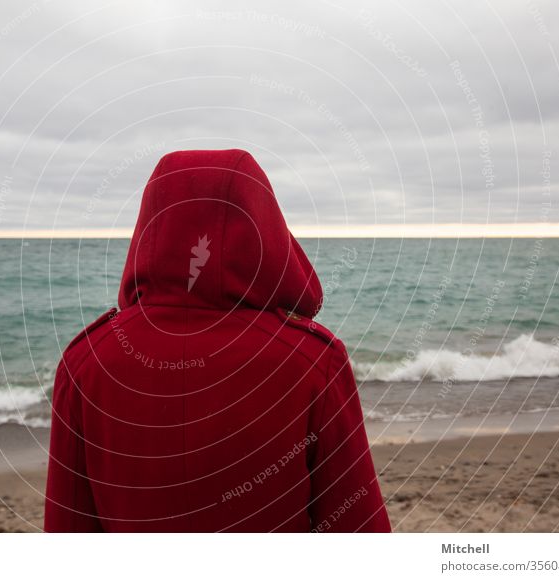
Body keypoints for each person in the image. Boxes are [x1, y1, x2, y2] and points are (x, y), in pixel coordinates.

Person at [44, 149, 391, 532]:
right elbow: (359, 529)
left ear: (151, 224)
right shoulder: (311, 361)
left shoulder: (86, 362)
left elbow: (66, 530)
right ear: (263, 224)